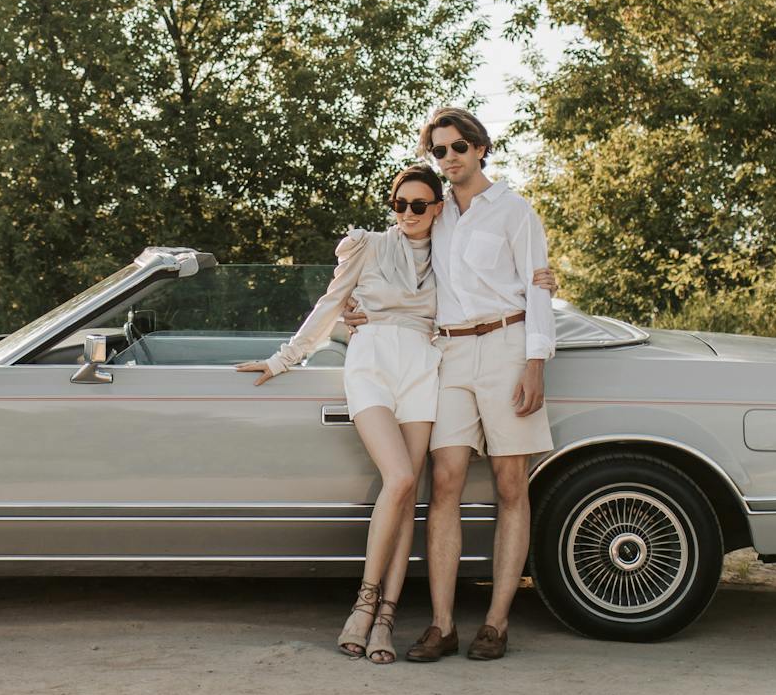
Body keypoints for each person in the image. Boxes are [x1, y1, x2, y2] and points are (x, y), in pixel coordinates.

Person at [238, 162, 556, 664]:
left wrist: (542, 284)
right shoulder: (369, 244)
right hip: (378, 367)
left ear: (438, 208)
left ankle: (389, 618)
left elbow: (505, 283)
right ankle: (367, 608)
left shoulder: (448, 250)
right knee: (405, 478)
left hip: (426, 370)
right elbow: (331, 303)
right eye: (399, 203)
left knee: (414, 489)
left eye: (418, 204)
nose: (407, 213)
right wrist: (285, 358)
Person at [364, 107, 556, 663]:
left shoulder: (515, 211)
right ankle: (443, 625)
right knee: (442, 482)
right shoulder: (435, 211)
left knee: (510, 484)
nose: (447, 158)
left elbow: (536, 286)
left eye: (456, 147)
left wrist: (536, 360)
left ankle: (496, 622)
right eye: (439, 150)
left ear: (479, 148)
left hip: (506, 346)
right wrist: (358, 307)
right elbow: (395, 261)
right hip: (448, 354)